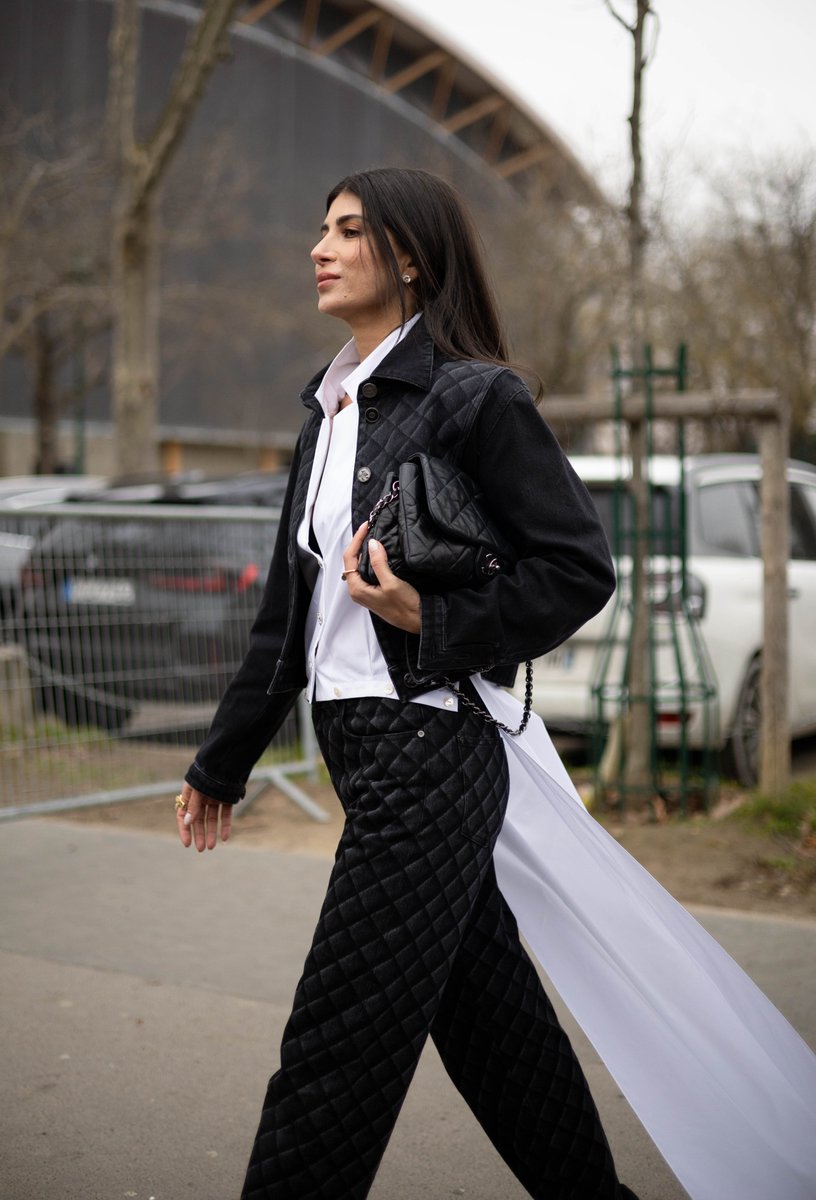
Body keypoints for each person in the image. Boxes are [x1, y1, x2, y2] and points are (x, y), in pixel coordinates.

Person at [176, 168, 816, 1200]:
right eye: (321, 228)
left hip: (431, 750)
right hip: (364, 754)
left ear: (410, 256)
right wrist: (222, 761)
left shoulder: (474, 396)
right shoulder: (327, 412)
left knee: (338, 1040)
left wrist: (432, 620)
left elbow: (577, 569)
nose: (319, 249)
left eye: (348, 230)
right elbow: (288, 619)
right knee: (494, 1031)